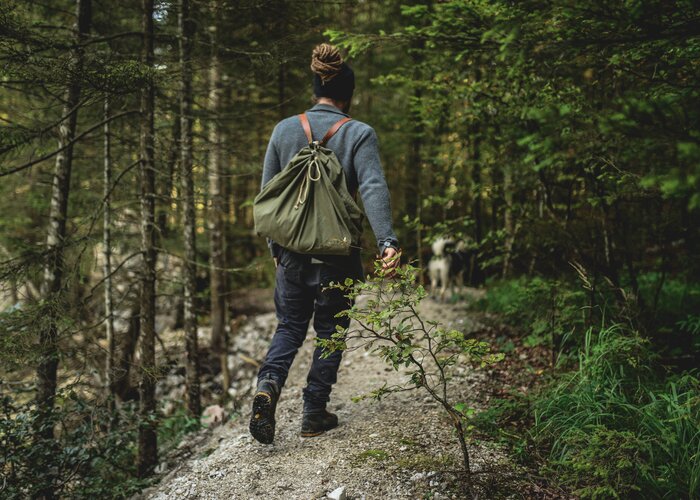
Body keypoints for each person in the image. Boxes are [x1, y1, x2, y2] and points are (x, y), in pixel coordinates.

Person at [249, 43, 400, 444]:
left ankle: (268, 387)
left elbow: (268, 196)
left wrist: (276, 250)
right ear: (348, 95)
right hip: (339, 254)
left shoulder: (284, 130)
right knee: (331, 331)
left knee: (290, 327)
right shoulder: (358, 133)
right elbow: (371, 186)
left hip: (293, 255)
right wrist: (386, 240)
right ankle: (314, 412)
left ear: (315, 88)